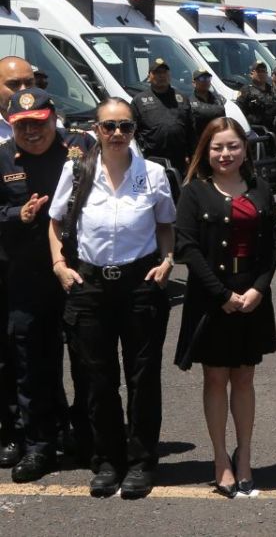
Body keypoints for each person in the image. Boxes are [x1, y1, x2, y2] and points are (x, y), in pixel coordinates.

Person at [47, 97, 176, 499]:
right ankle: (107, 460)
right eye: (109, 127)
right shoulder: (77, 171)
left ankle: (140, 462)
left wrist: (168, 259)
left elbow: (166, 224)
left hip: (139, 283)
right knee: (97, 378)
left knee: (143, 377)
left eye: (125, 127)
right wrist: (58, 264)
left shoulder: (152, 173)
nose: (117, 134)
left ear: (134, 130)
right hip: (90, 285)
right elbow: (54, 221)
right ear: (96, 131)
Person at [174, 117, 276, 498]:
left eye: (232, 146)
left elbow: (273, 249)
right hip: (211, 298)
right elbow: (186, 247)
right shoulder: (195, 192)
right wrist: (222, 295)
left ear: (245, 149)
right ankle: (221, 460)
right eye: (217, 147)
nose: (225, 154)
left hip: (251, 296)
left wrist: (258, 290)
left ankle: (246, 457)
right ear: (206, 150)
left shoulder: (261, 189)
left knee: (245, 379)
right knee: (216, 379)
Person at [0, 89, 93, 483]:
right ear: (11, 125)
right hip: (25, 277)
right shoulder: (3, 157)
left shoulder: (82, 147)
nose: (32, 132)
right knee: (31, 365)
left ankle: (86, 438)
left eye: (38, 122)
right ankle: (39, 446)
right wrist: (13, 213)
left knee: (88, 361)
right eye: (23, 125)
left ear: (53, 117)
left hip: (77, 272)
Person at [0, 57, 28, 469]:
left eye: (29, 81)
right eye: (12, 83)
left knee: (34, 349)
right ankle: (9, 431)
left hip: (33, 260)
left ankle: (44, 426)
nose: (21, 88)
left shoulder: (42, 126)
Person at [131, 58, 193, 174]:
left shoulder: (181, 98)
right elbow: (132, 133)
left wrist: (192, 156)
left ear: (169, 75)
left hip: (179, 159)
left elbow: (190, 130)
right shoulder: (139, 101)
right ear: (149, 76)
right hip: (151, 159)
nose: (161, 76)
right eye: (157, 73)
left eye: (164, 72)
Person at [189, 68, 226, 134]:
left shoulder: (218, 98)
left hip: (217, 137)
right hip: (200, 140)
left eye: (208, 78)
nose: (205, 81)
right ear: (194, 83)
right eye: (202, 79)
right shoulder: (189, 101)